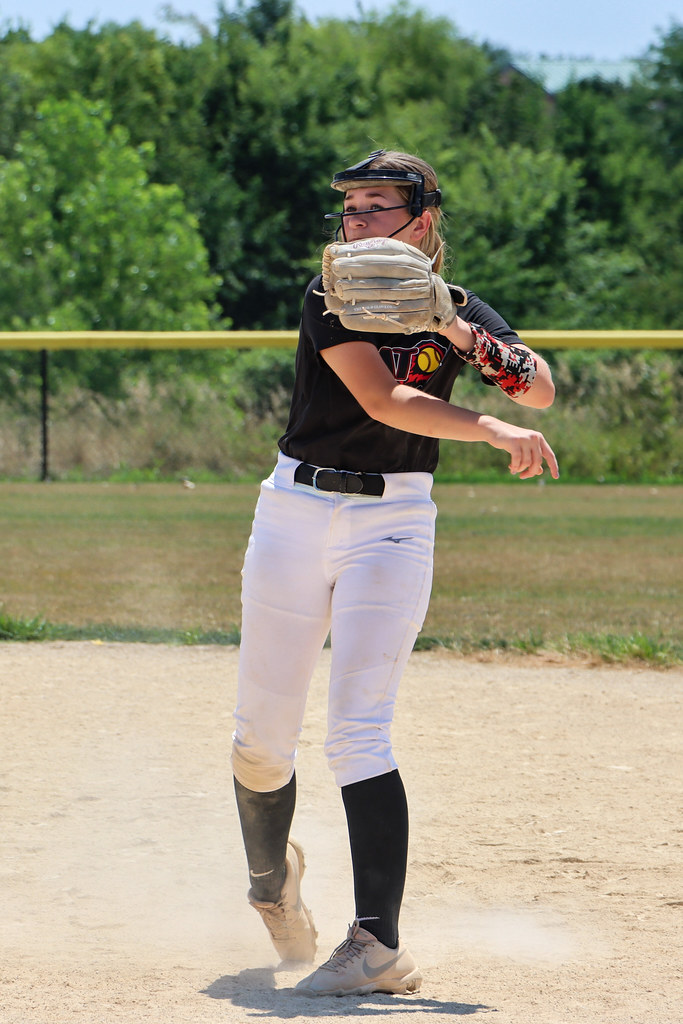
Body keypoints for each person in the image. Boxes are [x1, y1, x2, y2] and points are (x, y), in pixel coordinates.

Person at [231, 149, 559, 997]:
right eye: (349, 209)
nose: (356, 223)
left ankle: (376, 943)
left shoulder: (454, 307)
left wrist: (457, 329)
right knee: (260, 744)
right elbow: (382, 400)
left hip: (394, 523)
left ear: (421, 221)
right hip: (296, 512)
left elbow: (541, 390)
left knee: (357, 731)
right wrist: (488, 428)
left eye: (376, 208)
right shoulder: (330, 293)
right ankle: (273, 889)